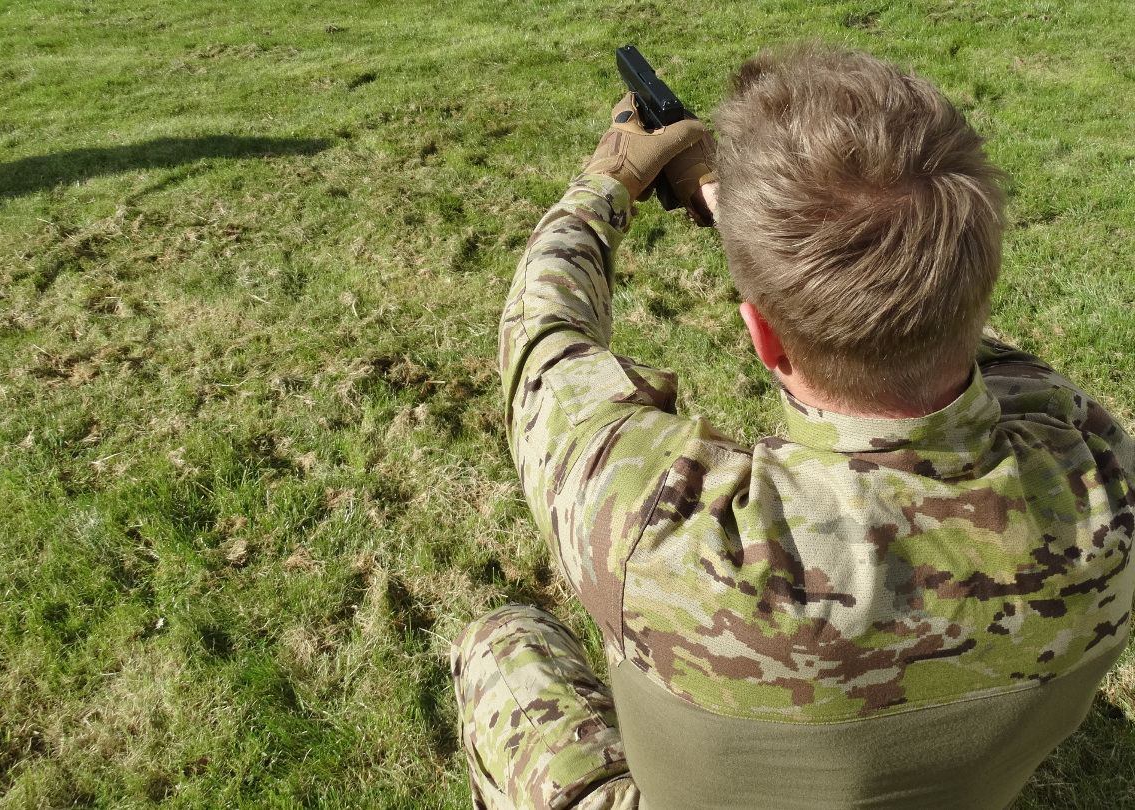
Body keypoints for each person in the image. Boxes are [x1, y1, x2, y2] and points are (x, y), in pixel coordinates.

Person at [451, 46, 1135, 810]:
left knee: (506, 643)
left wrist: (606, 182)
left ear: (762, 338)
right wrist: (742, 219)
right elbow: (945, 322)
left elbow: (543, 341)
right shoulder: (1104, 476)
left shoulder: (661, 537)